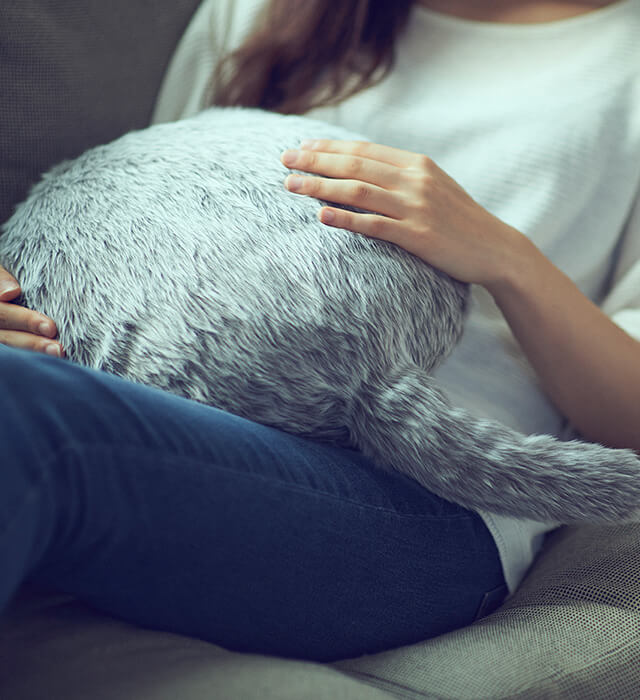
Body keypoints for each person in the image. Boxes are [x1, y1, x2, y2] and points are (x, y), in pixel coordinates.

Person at [1, 0, 638, 663]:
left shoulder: (626, 62)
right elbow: (134, 201)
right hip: (192, 413)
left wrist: (508, 261)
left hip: (432, 502)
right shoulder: (262, 12)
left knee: (31, 413)